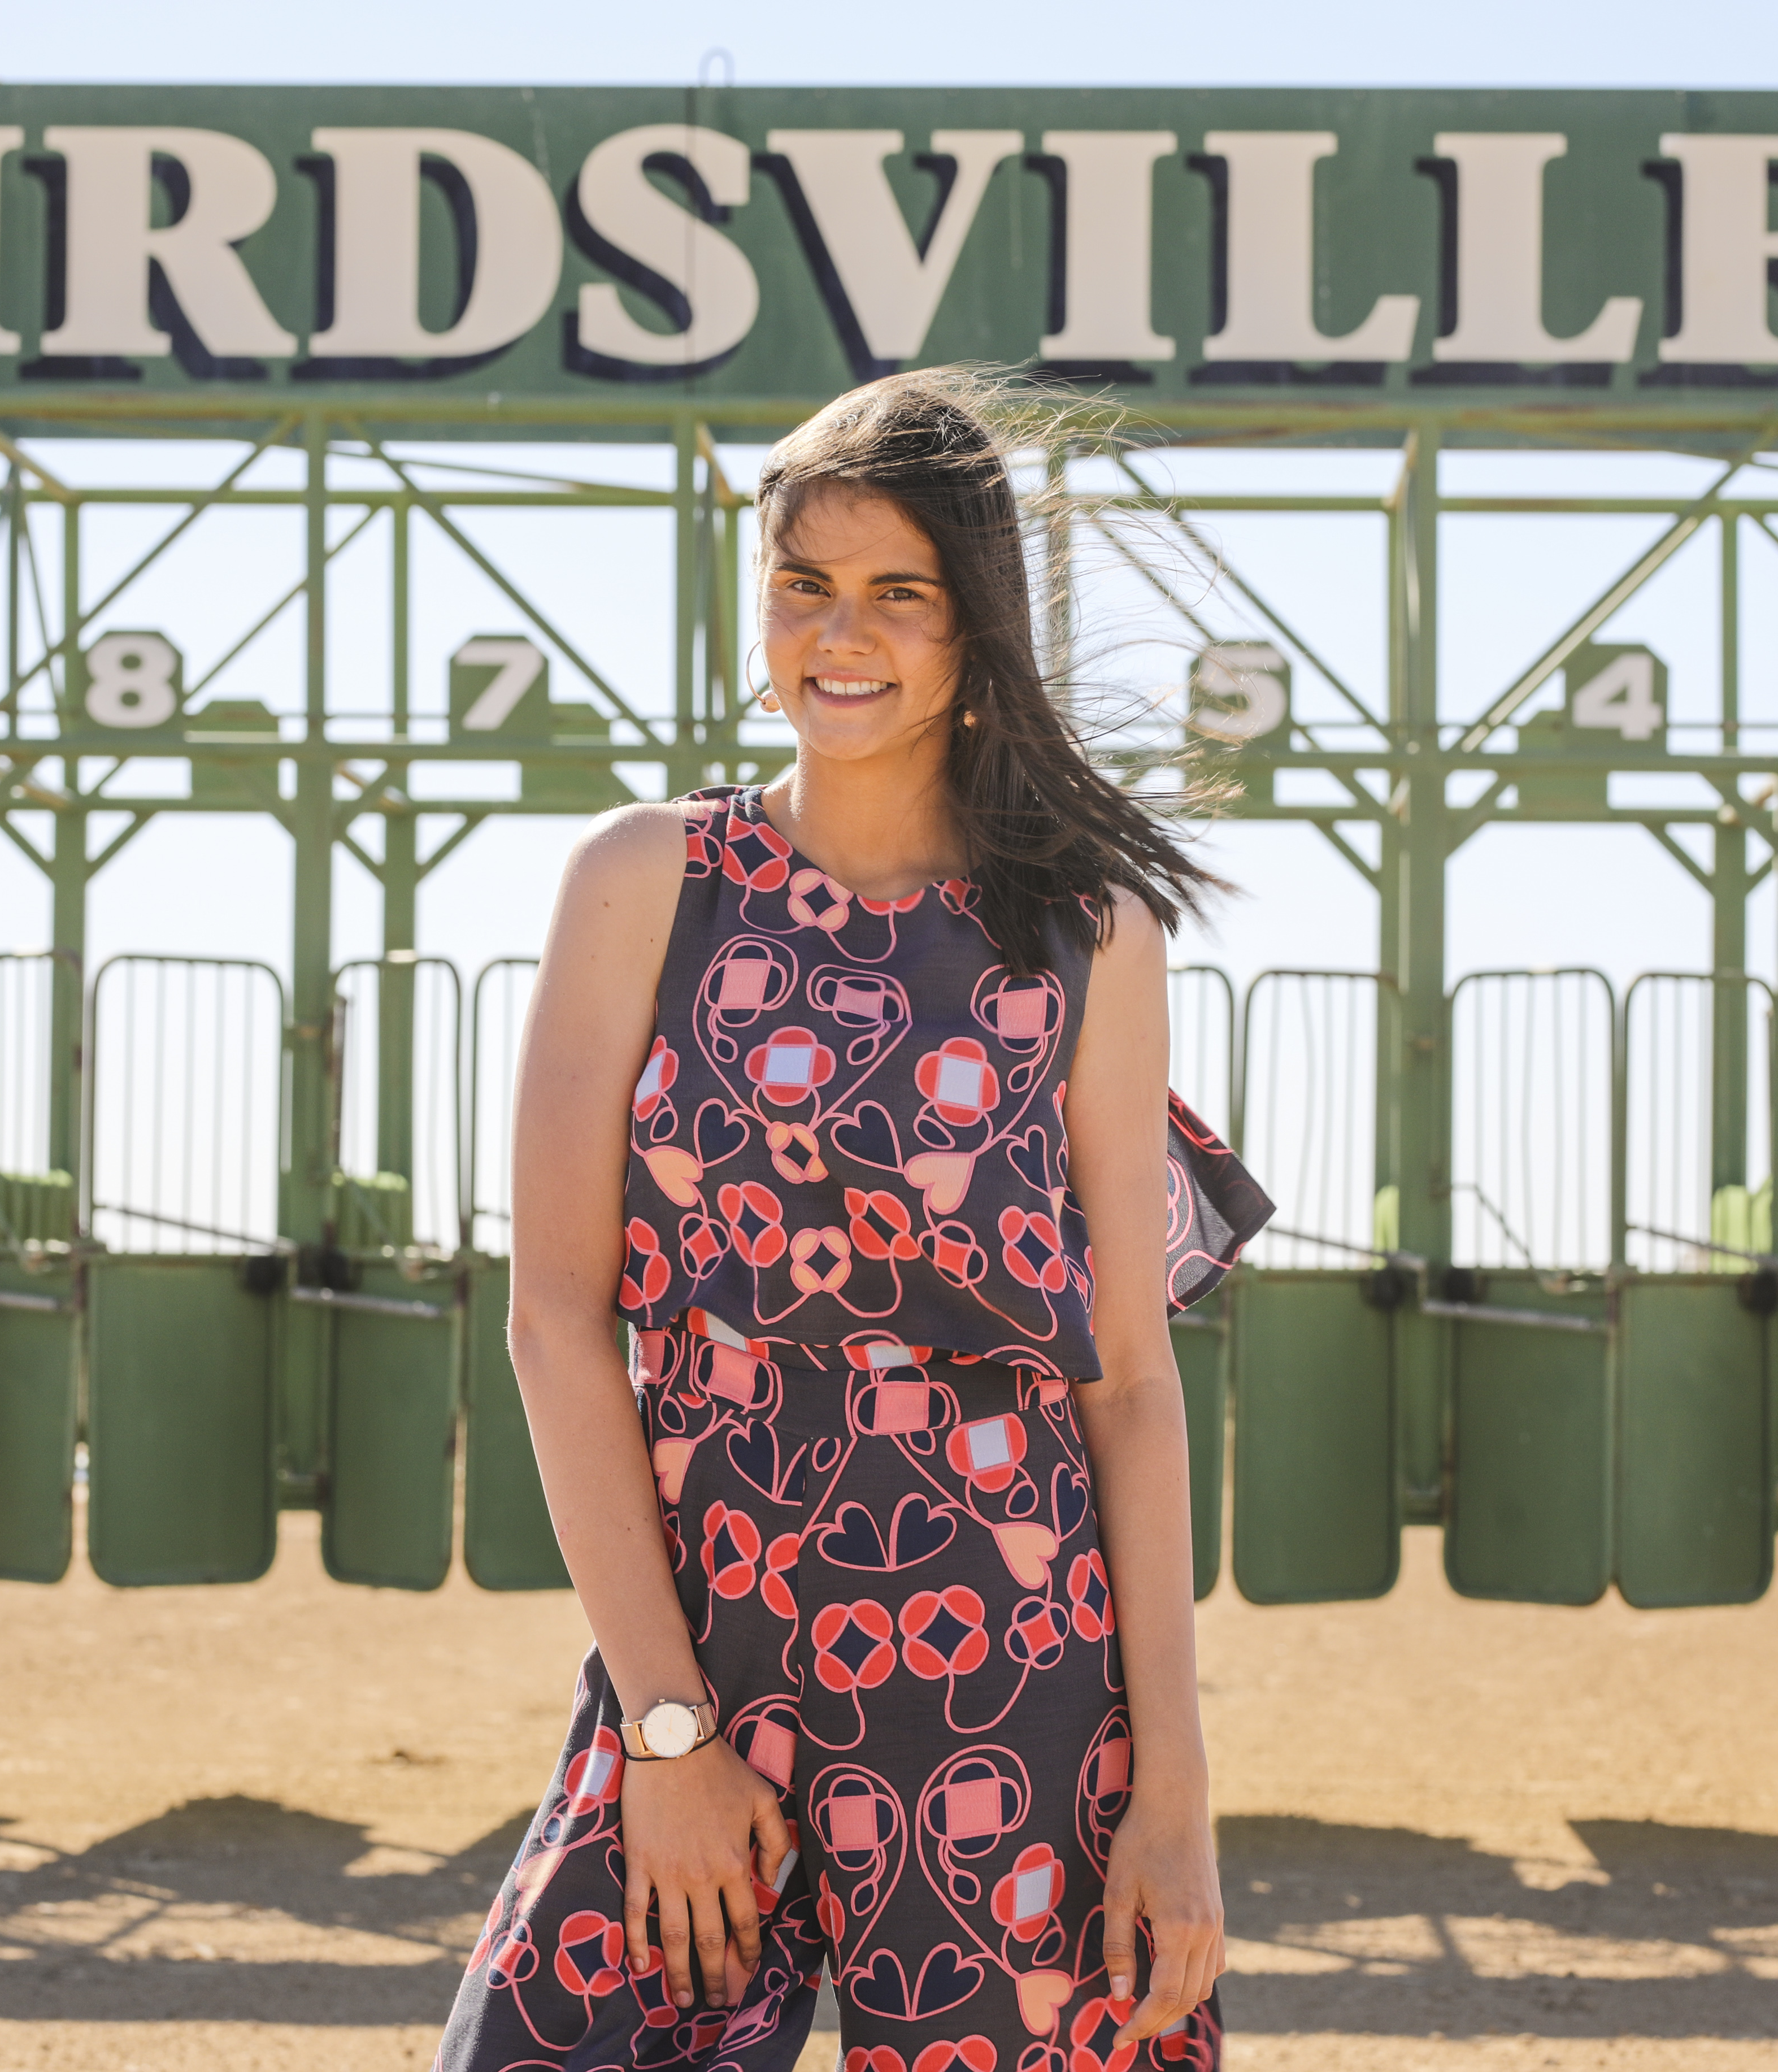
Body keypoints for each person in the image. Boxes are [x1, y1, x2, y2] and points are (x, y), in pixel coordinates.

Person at [438, 370, 1271, 2072]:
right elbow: (555, 1321)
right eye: (804, 584)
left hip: (1016, 1667)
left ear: (976, 626)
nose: (842, 632)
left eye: (901, 591)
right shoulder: (643, 879)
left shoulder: (1089, 932)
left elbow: (1126, 1379)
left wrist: (1174, 1787)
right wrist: (667, 1732)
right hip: (706, 1641)